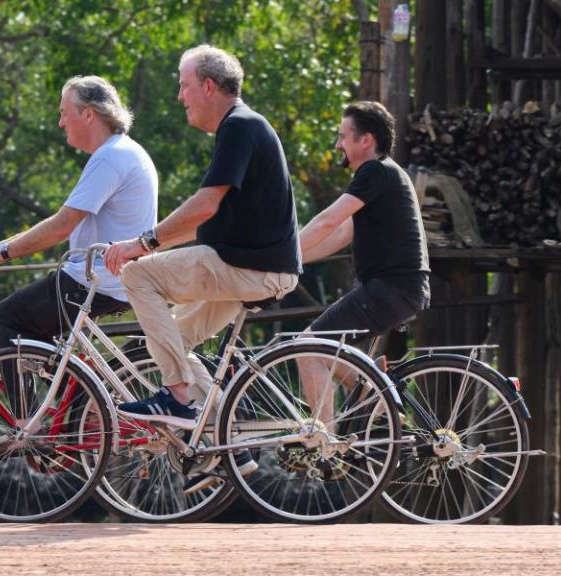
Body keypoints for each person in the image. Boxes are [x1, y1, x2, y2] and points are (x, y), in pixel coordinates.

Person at [104, 45, 301, 431]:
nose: (180, 96)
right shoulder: (244, 127)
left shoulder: (239, 127)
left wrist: (139, 246)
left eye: (184, 85)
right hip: (254, 270)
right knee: (168, 341)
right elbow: (201, 221)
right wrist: (150, 242)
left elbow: (204, 206)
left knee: (137, 276)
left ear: (208, 87)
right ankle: (218, 436)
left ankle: (177, 397)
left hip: (249, 270)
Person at [0, 75, 158, 416]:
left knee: (2, 319)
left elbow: (60, 226)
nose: (60, 122)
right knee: (46, 348)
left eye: (65, 112)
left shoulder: (110, 158)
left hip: (92, 280)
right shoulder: (122, 151)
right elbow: (62, 223)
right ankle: (70, 417)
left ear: (89, 114)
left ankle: (28, 428)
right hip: (107, 279)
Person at [297, 100, 431, 426]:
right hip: (394, 290)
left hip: (390, 289)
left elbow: (328, 221)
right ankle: (377, 397)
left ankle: (323, 444)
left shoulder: (375, 171)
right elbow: (342, 233)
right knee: (323, 349)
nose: (338, 145)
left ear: (365, 140)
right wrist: (294, 261)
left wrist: (278, 253)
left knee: (307, 347)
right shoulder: (383, 177)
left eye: (343, 136)